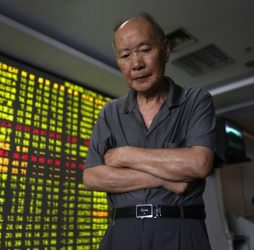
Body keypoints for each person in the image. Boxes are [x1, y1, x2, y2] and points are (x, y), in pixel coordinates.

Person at [83, 13, 218, 250]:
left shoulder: (196, 100)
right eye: (125, 55)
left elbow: (199, 164)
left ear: (165, 50)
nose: (136, 64)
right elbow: (92, 177)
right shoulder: (110, 112)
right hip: (122, 232)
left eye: (145, 50)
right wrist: (166, 179)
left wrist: (124, 156)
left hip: (182, 230)